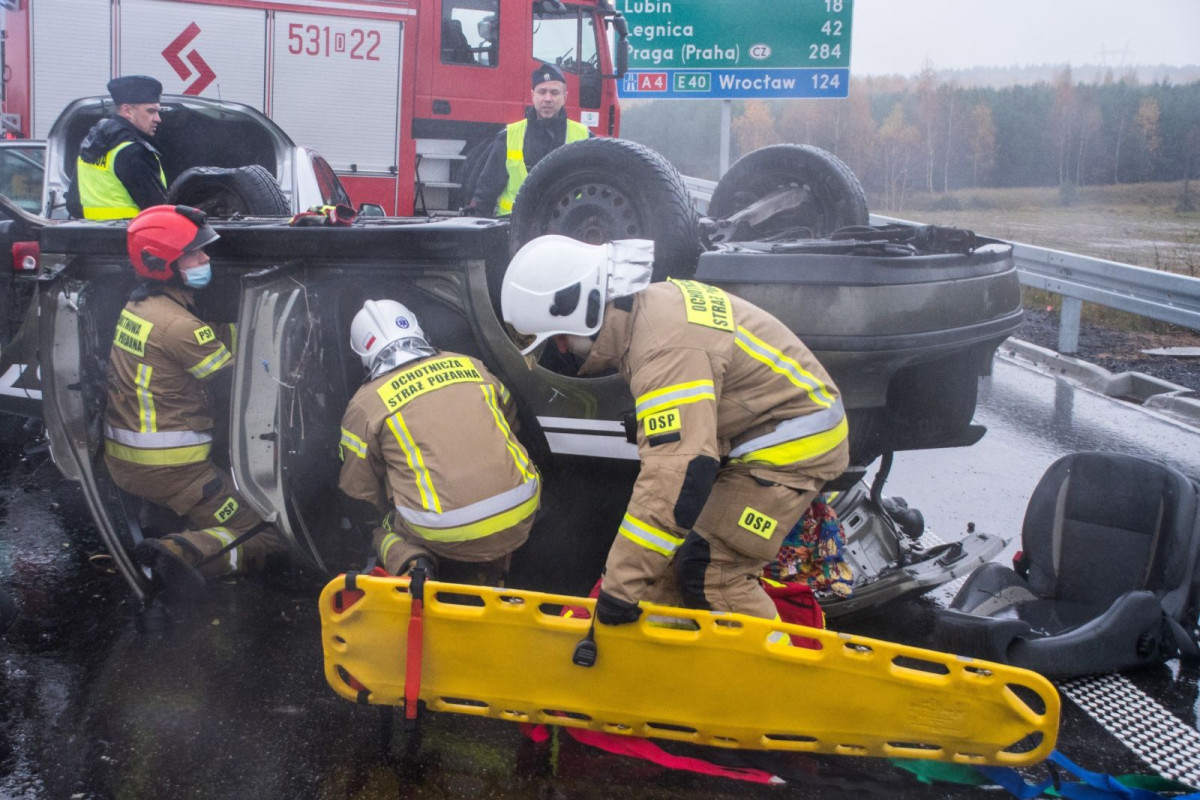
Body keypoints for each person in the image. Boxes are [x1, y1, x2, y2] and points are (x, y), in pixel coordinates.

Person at [501, 235, 850, 623]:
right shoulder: (651, 309)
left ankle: (777, 661)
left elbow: (678, 473)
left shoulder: (662, 348)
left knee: (712, 571)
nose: (562, 351)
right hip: (766, 429)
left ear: (582, 308)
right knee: (665, 567)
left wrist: (618, 591)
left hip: (793, 445)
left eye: (559, 338)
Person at [104, 205, 286, 598]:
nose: (205, 259)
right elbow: (241, 387)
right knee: (267, 533)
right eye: (193, 254)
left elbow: (209, 337)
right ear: (162, 264)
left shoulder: (141, 306)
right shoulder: (180, 326)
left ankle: (163, 515)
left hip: (128, 460)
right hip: (173, 470)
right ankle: (180, 553)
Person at [337, 300, 541, 583]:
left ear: (363, 352)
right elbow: (510, 424)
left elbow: (359, 490)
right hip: (524, 506)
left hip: (445, 531)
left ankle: (414, 563)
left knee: (379, 527)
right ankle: (494, 573)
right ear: (416, 328)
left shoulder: (365, 405)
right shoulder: (471, 365)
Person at [465, 63, 591, 217]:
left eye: (554, 93)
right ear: (533, 95)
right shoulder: (508, 136)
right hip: (513, 225)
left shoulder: (585, 138)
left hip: (566, 227)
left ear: (565, 97)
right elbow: (486, 192)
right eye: (542, 92)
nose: (548, 99)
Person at [66, 75, 168, 220]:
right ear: (127, 111)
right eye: (151, 111)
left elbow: (73, 203)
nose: (158, 119)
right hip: (130, 231)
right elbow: (159, 211)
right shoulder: (134, 152)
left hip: (90, 230)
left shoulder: (91, 144)